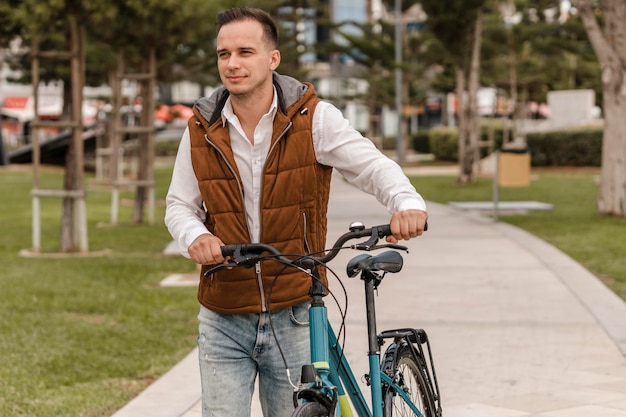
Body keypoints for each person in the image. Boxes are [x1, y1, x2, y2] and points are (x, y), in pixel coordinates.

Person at [164, 6, 428, 417]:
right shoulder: (201, 127)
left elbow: (373, 166)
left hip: (296, 312)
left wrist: (407, 204)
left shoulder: (313, 118)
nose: (232, 63)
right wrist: (195, 236)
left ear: (273, 59)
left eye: (245, 52)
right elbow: (180, 204)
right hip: (224, 315)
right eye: (223, 54)